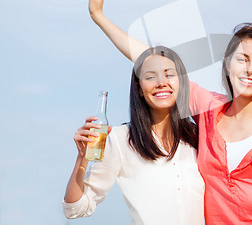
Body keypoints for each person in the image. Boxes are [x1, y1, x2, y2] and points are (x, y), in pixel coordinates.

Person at [78, 0, 252, 224]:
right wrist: (100, 17)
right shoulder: (210, 109)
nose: (251, 69)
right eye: (242, 59)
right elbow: (152, 61)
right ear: (228, 64)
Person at [63, 46, 204, 224]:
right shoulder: (120, 139)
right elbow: (75, 209)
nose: (161, 82)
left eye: (169, 74)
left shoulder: (198, 137)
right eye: (150, 77)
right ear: (139, 88)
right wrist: (82, 158)